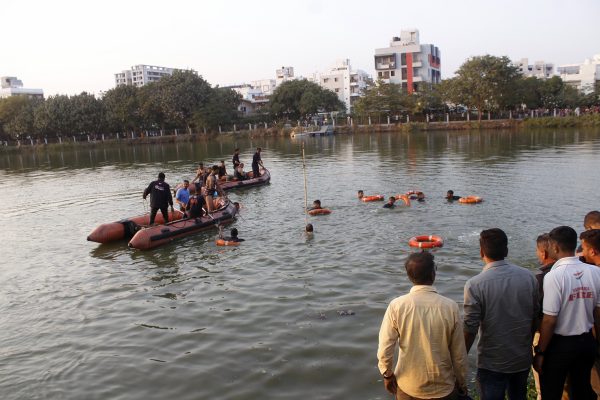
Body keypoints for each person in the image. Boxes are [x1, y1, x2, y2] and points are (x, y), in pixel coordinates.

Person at [378, 252, 468, 400]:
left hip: (409, 387)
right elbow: (459, 354)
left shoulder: (397, 306)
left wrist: (387, 374)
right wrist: (461, 382)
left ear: (409, 276)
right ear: (433, 274)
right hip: (444, 387)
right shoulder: (450, 307)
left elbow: (385, 347)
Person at [463, 228, 539, 400]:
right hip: (521, 359)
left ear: (482, 252)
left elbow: (470, 328)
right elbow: (535, 317)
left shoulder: (475, 284)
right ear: (506, 250)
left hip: (492, 362)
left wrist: (460, 359)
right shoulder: (529, 277)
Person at [533, 226, 600, 400]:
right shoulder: (595, 272)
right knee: (581, 390)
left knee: (551, 392)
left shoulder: (554, 276)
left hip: (560, 345)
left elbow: (549, 320)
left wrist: (540, 352)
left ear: (555, 248)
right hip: (586, 342)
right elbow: (597, 312)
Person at [532, 233, 559, 400]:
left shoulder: (539, 279)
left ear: (543, 253)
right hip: (574, 339)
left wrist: (539, 351)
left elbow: (539, 316)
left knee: (543, 388)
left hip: (543, 336)